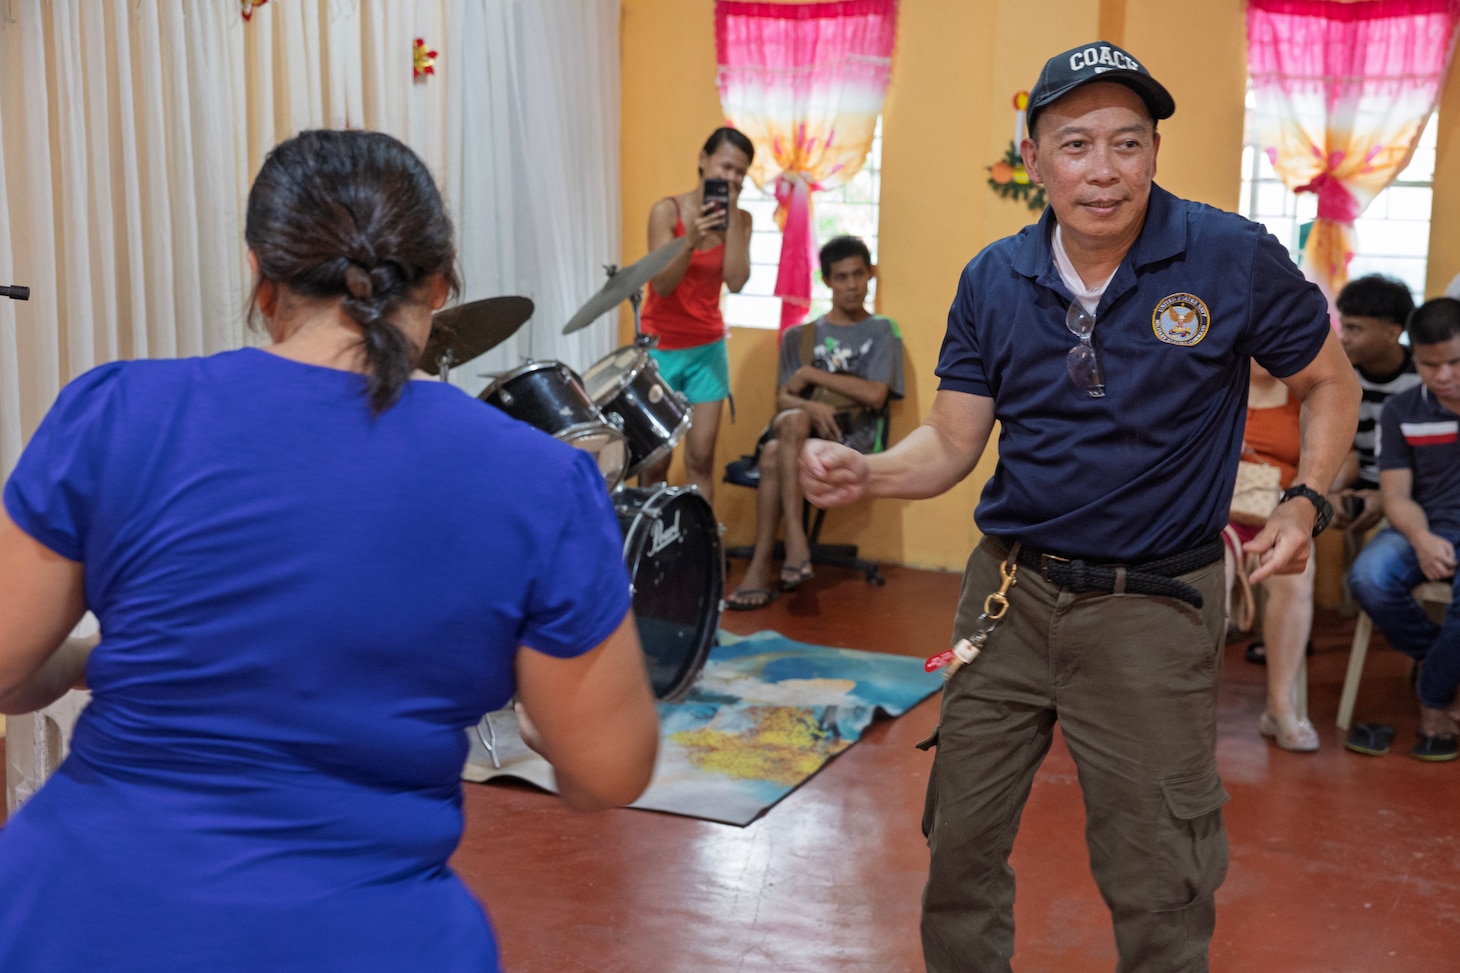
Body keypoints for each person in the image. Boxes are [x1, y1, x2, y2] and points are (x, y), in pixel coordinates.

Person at [0, 129, 659, 972]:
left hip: (72, 919)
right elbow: (609, 772)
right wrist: (551, 733)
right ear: (443, 278)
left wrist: (88, 659)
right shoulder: (541, 482)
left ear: (261, 280)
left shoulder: (118, 412)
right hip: (361, 935)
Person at [800, 41, 1358, 973]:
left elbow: (1330, 382)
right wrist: (867, 474)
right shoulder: (995, 278)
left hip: (1155, 606)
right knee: (961, 844)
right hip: (1009, 594)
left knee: (1158, 872)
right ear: (1033, 158)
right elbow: (950, 442)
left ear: (1153, 152)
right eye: (1075, 144)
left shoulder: (1228, 255)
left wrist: (1305, 502)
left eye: (1127, 143)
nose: (1103, 172)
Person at [725, 236, 904, 610]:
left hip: (850, 436)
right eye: (842, 277)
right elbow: (783, 398)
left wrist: (813, 375)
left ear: (870, 275)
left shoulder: (881, 331)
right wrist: (811, 409)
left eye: (858, 275)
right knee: (789, 425)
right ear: (827, 281)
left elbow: (874, 395)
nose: (852, 285)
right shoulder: (800, 336)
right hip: (799, 431)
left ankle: (764, 565)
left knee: (776, 451)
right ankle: (795, 547)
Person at [1348, 297, 1460, 762]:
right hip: (1423, 525)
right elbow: (1395, 497)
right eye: (1430, 364)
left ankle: (1434, 701)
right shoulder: (1400, 410)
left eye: (1455, 362)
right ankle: (1445, 669)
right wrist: (1422, 537)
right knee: (1368, 578)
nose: (1443, 377)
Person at [637, 126, 755, 504]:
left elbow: (736, 281)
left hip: (707, 348)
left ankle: (700, 551)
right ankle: (650, 548)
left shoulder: (742, 219)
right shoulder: (666, 211)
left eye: (740, 172)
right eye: (726, 167)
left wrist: (733, 221)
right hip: (661, 349)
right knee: (656, 460)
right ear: (703, 162)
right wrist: (689, 242)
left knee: (700, 458)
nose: (732, 179)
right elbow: (663, 286)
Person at [1225, 361, 1319, 751]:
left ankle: (1280, 705)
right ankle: (1187, 702)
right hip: (1219, 512)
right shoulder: (1218, 386)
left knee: (1297, 571)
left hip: (1280, 510)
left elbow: (1339, 461)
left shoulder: (1306, 396)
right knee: (1212, 568)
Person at [1327, 274, 1420, 534]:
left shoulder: (1425, 378)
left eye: (1355, 329)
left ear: (1393, 333)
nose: (1343, 337)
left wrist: (1388, 499)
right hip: (1357, 486)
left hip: (1413, 489)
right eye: (1342, 326)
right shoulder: (1340, 376)